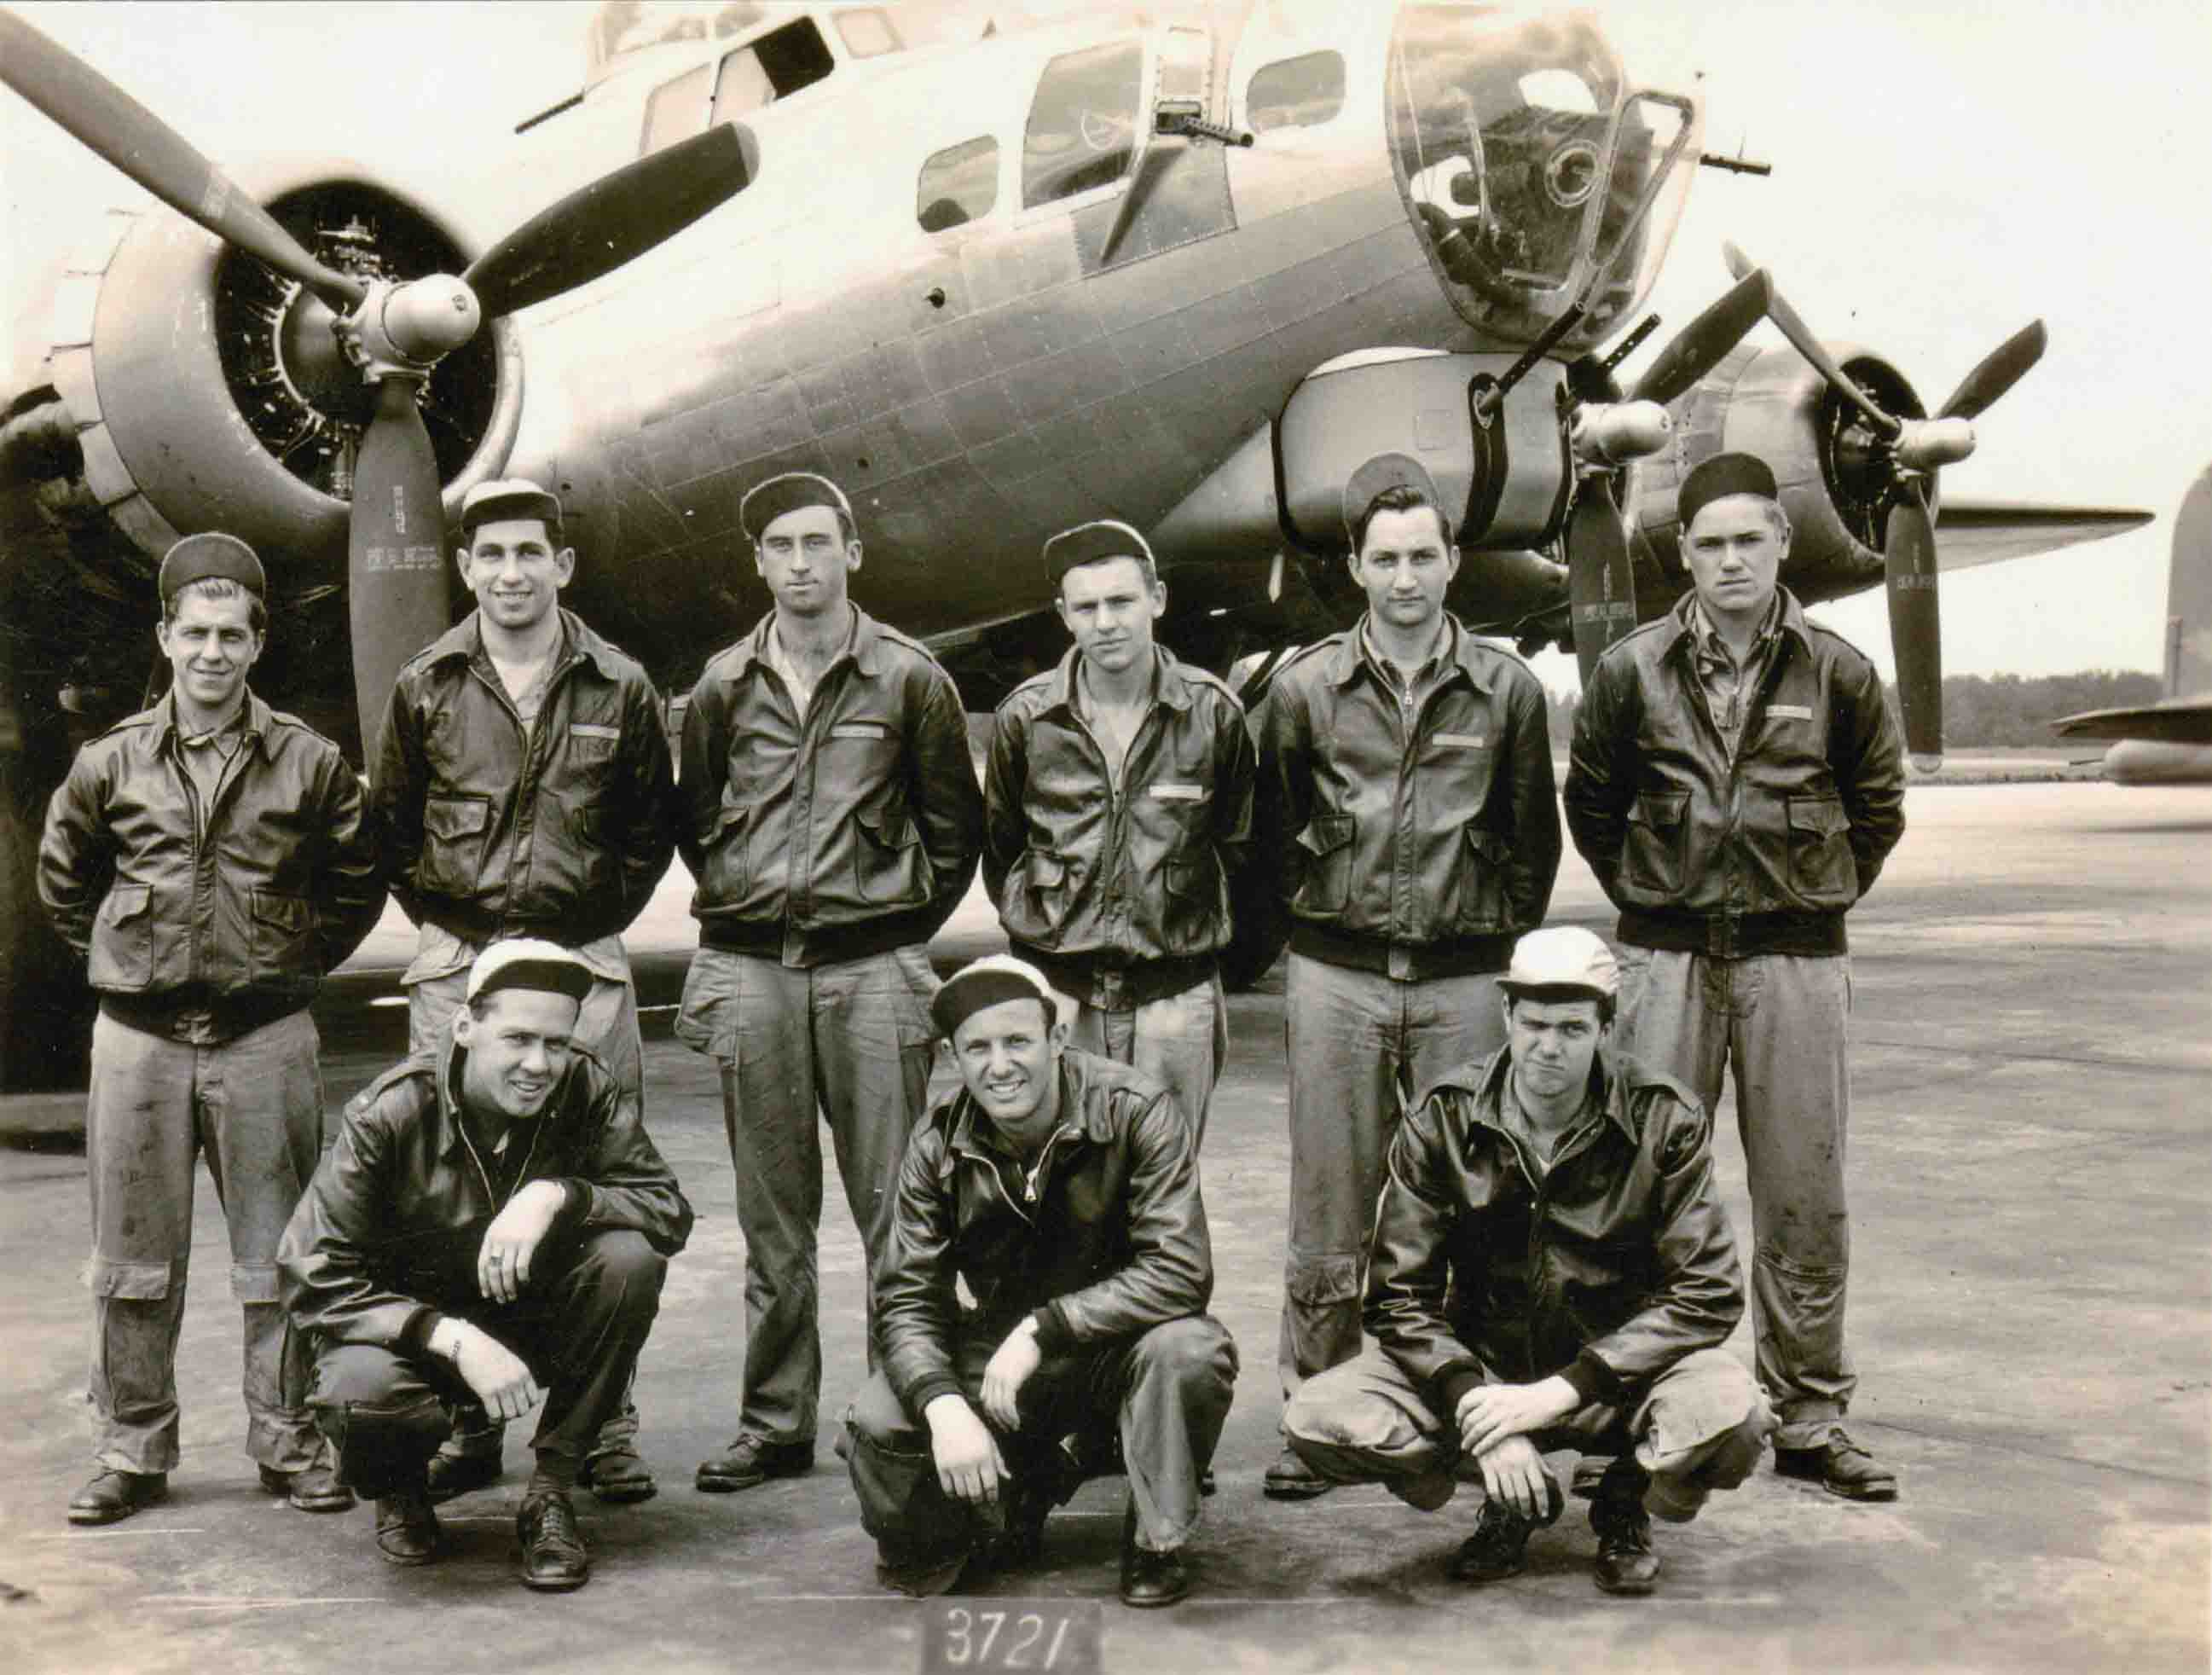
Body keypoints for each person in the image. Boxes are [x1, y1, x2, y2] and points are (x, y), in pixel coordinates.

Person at [1565, 450, 1908, 1502]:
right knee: (1633, 1187)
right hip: (1663, 960)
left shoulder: (1839, 670)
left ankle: (1806, 1413)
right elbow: (1594, 801)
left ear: (1779, 544)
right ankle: (1622, 1411)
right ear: (1681, 553)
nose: (1726, 560)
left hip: (1791, 961)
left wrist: (1810, 893)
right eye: (1706, 543)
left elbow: (1876, 805)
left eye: (1745, 540)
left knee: (1802, 1191)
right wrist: (1653, 889)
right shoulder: (1630, 669)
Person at [38, 532, 384, 1525]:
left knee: (282, 1255)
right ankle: (132, 1444)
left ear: (258, 643)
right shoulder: (110, 763)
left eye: (233, 634)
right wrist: (127, 953)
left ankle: (288, 1438)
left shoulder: (309, 762)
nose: (213, 653)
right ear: (167, 635)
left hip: (265, 1033)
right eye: (195, 632)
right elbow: (64, 877)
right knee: (132, 1256)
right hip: (138, 1039)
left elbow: (355, 882)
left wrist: (284, 957)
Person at [1250, 453, 1562, 1499]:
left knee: (1470, 1201)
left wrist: (1473, 933)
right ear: (1354, 566)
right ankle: (1315, 1413)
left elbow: (1531, 844)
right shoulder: (1301, 690)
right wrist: (1324, 921)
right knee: (1330, 1202)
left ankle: (1472, 1405)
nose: (1404, 579)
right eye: (1383, 559)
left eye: (1421, 555)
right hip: (1335, 973)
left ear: (1453, 559)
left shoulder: (1507, 689)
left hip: (1462, 981)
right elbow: (1266, 839)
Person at [1283, 926, 1770, 1595]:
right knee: (1318, 1415)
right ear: (1505, 1015)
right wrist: (1482, 1413)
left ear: (1607, 1027)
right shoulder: (1445, 1117)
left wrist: (1564, 1391)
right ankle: (1508, 1495)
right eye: (1534, 1024)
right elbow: (1399, 1297)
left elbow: (1708, 1291)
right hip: (1487, 1367)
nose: (1549, 1048)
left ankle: (1626, 1497)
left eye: (1573, 1028)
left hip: (1619, 1377)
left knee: (1736, 1413)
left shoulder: (1664, 1118)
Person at [371, 477, 677, 1505]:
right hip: (462, 962)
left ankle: (604, 1423)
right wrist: (472, 931)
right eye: (490, 555)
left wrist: (579, 924)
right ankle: (466, 1413)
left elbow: (645, 833)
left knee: (603, 1187)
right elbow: (395, 833)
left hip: (585, 963)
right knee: (444, 1197)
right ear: (465, 568)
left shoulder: (619, 684)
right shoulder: (424, 684)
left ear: (563, 566)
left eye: (528, 554)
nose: (510, 573)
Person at [677, 471, 983, 1494]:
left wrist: (888, 926)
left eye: (818, 542)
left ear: (853, 550)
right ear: (756, 561)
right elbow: (698, 819)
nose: (799, 563)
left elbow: (954, 833)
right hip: (753, 969)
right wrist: (749, 901)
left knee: (898, 1210)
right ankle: (775, 1420)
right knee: (773, 1219)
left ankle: (892, 1411)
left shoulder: (908, 679)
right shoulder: (722, 684)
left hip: (873, 972)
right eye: (780, 546)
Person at [278, 941, 693, 1591]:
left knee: (630, 1258)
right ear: (466, 1028)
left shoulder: (585, 1086)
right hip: (418, 1343)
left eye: (556, 1043)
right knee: (362, 1391)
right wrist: (448, 1335)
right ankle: (402, 1490)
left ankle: (550, 1492)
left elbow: (667, 1209)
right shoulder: (390, 1112)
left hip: (530, 1319)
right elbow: (311, 1269)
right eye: (518, 1039)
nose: (539, 1064)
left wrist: (558, 1194)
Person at [845, 955, 1236, 1606]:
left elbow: (1180, 1270)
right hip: (1005, 1363)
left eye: (1018, 1041)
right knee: (880, 1424)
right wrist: (943, 1404)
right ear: (953, 1056)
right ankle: (1020, 1491)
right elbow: (907, 1296)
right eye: (978, 1048)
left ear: (1057, 1039)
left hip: (1119, 1347)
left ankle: (1155, 1537)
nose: (1000, 1066)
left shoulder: (1137, 1110)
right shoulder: (935, 1143)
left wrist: (1045, 1327)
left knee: (1190, 1351)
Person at [982, 519, 1254, 1145]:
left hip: (1174, 999)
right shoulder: (1027, 718)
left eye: (1122, 601)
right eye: (1087, 606)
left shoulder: (1211, 713)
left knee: (1166, 1187)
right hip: (1060, 995)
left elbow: (1244, 849)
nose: (1106, 622)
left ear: (1156, 600)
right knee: (1063, 1184)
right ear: (1064, 615)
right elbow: (1001, 851)